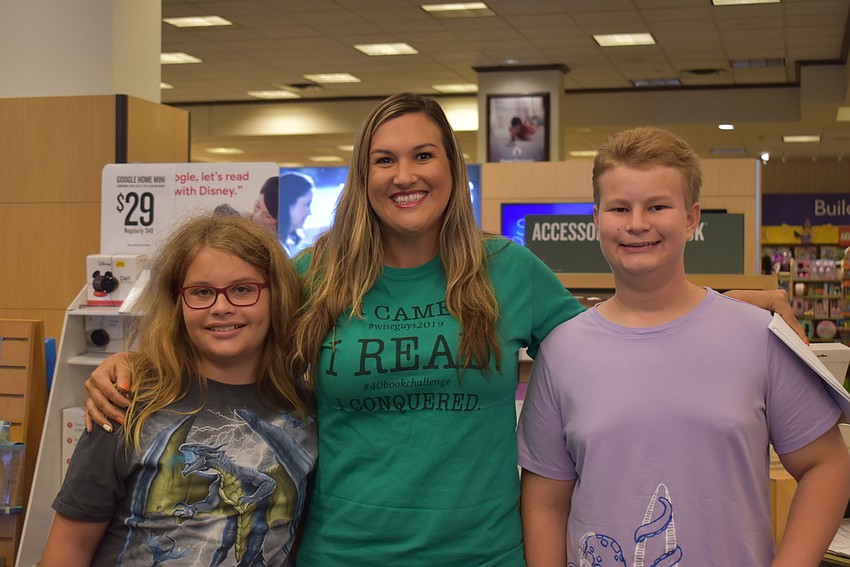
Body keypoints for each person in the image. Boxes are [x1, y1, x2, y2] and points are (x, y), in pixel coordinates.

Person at [84, 95, 802, 566]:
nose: (405, 175)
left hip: (484, 551)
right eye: (384, 159)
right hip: (342, 552)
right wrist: (133, 367)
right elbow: (227, 329)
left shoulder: (509, 269)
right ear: (363, 173)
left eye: (423, 155)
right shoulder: (319, 272)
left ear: (451, 170)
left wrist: (726, 302)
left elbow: (618, 336)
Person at [517, 127, 850, 567]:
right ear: (597, 217)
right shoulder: (561, 352)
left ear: (692, 218)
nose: (637, 223)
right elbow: (545, 502)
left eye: (657, 206)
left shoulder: (756, 337)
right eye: (620, 208)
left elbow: (826, 465)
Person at [42, 213, 317, 566]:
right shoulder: (126, 402)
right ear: (178, 302)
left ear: (276, 296)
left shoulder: (305, 410)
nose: (222, 307)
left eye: (243, 289)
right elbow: (69, 547)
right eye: (202, 292)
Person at [278, 172, 314, 257]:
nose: (310, 213)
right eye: (307, 204)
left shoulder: (292, 244)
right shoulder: (275, 248)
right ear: (288, 203)